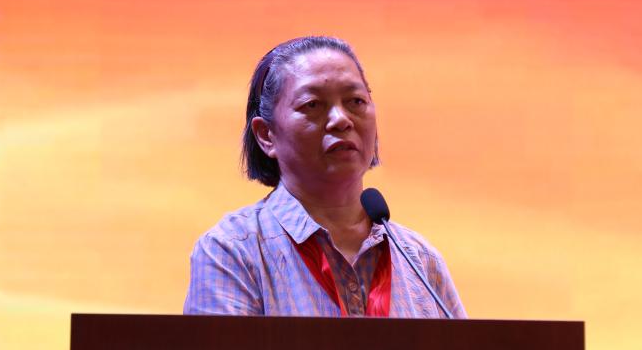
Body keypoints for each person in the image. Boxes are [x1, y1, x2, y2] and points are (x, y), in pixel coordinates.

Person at [183, 36, 465, 318]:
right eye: (312, 104)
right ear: (266, 135)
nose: (341, 119)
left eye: (356, 101)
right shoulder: (232, 251)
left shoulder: (420, 260)